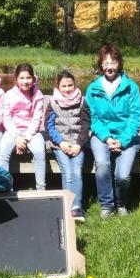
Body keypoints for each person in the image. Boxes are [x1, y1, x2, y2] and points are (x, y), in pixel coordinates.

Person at [85, 45, 140, 219]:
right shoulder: (93, 89)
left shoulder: (130, 87)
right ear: (100, 65)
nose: (109, 66)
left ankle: (121, 203)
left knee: (123, 176)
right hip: (102, 135)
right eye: (105, 63)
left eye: (113, 62)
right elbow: (93, 118)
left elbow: (136, 117)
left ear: (119, 64)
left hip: (126, 135)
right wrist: (107, 138)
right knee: (102, 165)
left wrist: (123, 140)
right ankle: (106, 204)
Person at [45, 70, 91, 222]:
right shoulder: (52, 102)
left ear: (74, 85)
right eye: (63, 86)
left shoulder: (82, 101)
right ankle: (68, 206)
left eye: (70, 85)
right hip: (60, 144)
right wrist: (61, 142)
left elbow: (85, 125)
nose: (67, 89)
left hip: (78, 144)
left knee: (77, 172)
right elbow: (49, 126)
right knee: (67, 172)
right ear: (58, 87)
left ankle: (76, 208)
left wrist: (79, 145)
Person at [0, 63, 47, 190]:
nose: (25, 81)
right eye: (22, 78)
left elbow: (37, 119)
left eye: (28, 78)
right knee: (3, 152)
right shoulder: (9, 95)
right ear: (16, 79)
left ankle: (41, 188)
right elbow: (6, 118)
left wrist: (25, 139)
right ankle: (5, 187)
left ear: (33, 78)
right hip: (13, 131)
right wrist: (17, 136)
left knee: (40, 151)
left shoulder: (38, 95)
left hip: (31, 131)